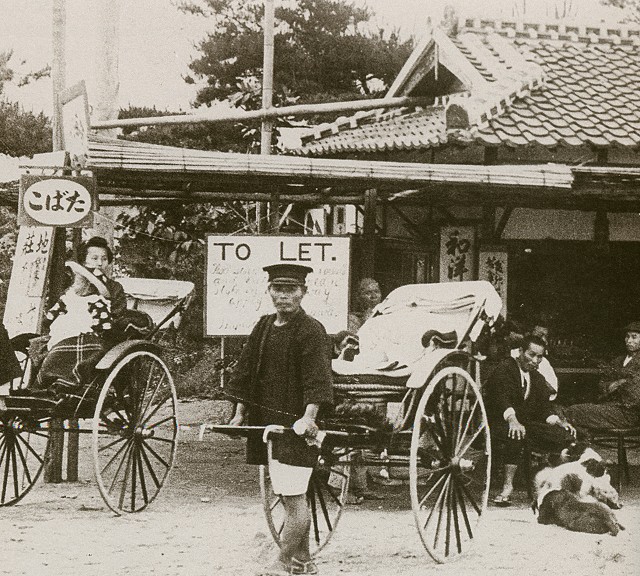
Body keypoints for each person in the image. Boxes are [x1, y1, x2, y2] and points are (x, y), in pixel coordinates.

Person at [226, 263, 334, 576]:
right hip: (266, 423)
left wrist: (310, 417)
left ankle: (284, 562)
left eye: (290, 290)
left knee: (295, 496)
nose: (283, 296)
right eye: (277, 288)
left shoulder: (311, 330)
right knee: (287, 494)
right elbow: (245, 371)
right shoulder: (263, 326)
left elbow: (318, 380)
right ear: (269, 290)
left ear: (304, 292)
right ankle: (303, 562)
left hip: (298, 424)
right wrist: (239, 414)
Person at [487, 334, 576, 506]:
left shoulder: (536, 377)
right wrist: (512, 419)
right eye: (531, 354)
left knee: (564, 434)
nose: (535, 360)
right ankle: (507, 487)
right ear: (520, 351)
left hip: (525, 424)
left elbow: (543, 408)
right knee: (516, 433)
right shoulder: (505, 368)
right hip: (499, 423)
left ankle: (555, 485)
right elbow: (501, 397)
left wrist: (559, 422)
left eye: (540, 356)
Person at [33, 261, 113, 394]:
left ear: (88, 285)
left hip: (84, 337)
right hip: (61, 335)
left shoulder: (96, 302)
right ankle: (45, 384)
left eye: (77, 283)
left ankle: (63, 383)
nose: (73, 286)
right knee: (45, 349)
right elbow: (51, 315)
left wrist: (96, 331)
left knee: (60, 353)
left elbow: (105, 325)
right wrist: (49, 320)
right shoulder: (67, 299)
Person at [564, 322, 640, 431]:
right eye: (627, 336)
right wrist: (618, 383)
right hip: (610, 407)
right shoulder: (618, 361)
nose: (629, 341)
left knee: (574, 411)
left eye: (634, 337)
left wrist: (619, 384)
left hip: (629, 413)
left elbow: (636, 395)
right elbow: (602, 383)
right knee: (575, 410)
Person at [510, 320, 559, 401]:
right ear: (528, 335)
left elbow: (552, 391)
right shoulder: (512, 355)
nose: (543, 340)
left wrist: (535, 376)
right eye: (540, 335)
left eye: (546, 336)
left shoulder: (544, 362)